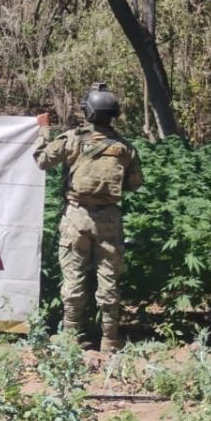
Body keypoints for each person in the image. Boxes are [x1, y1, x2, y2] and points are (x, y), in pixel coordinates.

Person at [33, 82, 143, 350]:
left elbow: (42, 161)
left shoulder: (71, 138)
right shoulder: (125, 148)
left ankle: (71, 337)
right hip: (109, 220)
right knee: (109, 279)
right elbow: (135, 184)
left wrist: (42, 133)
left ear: (89, 113)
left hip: (76, 217)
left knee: (73, 278)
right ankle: (110, 339)